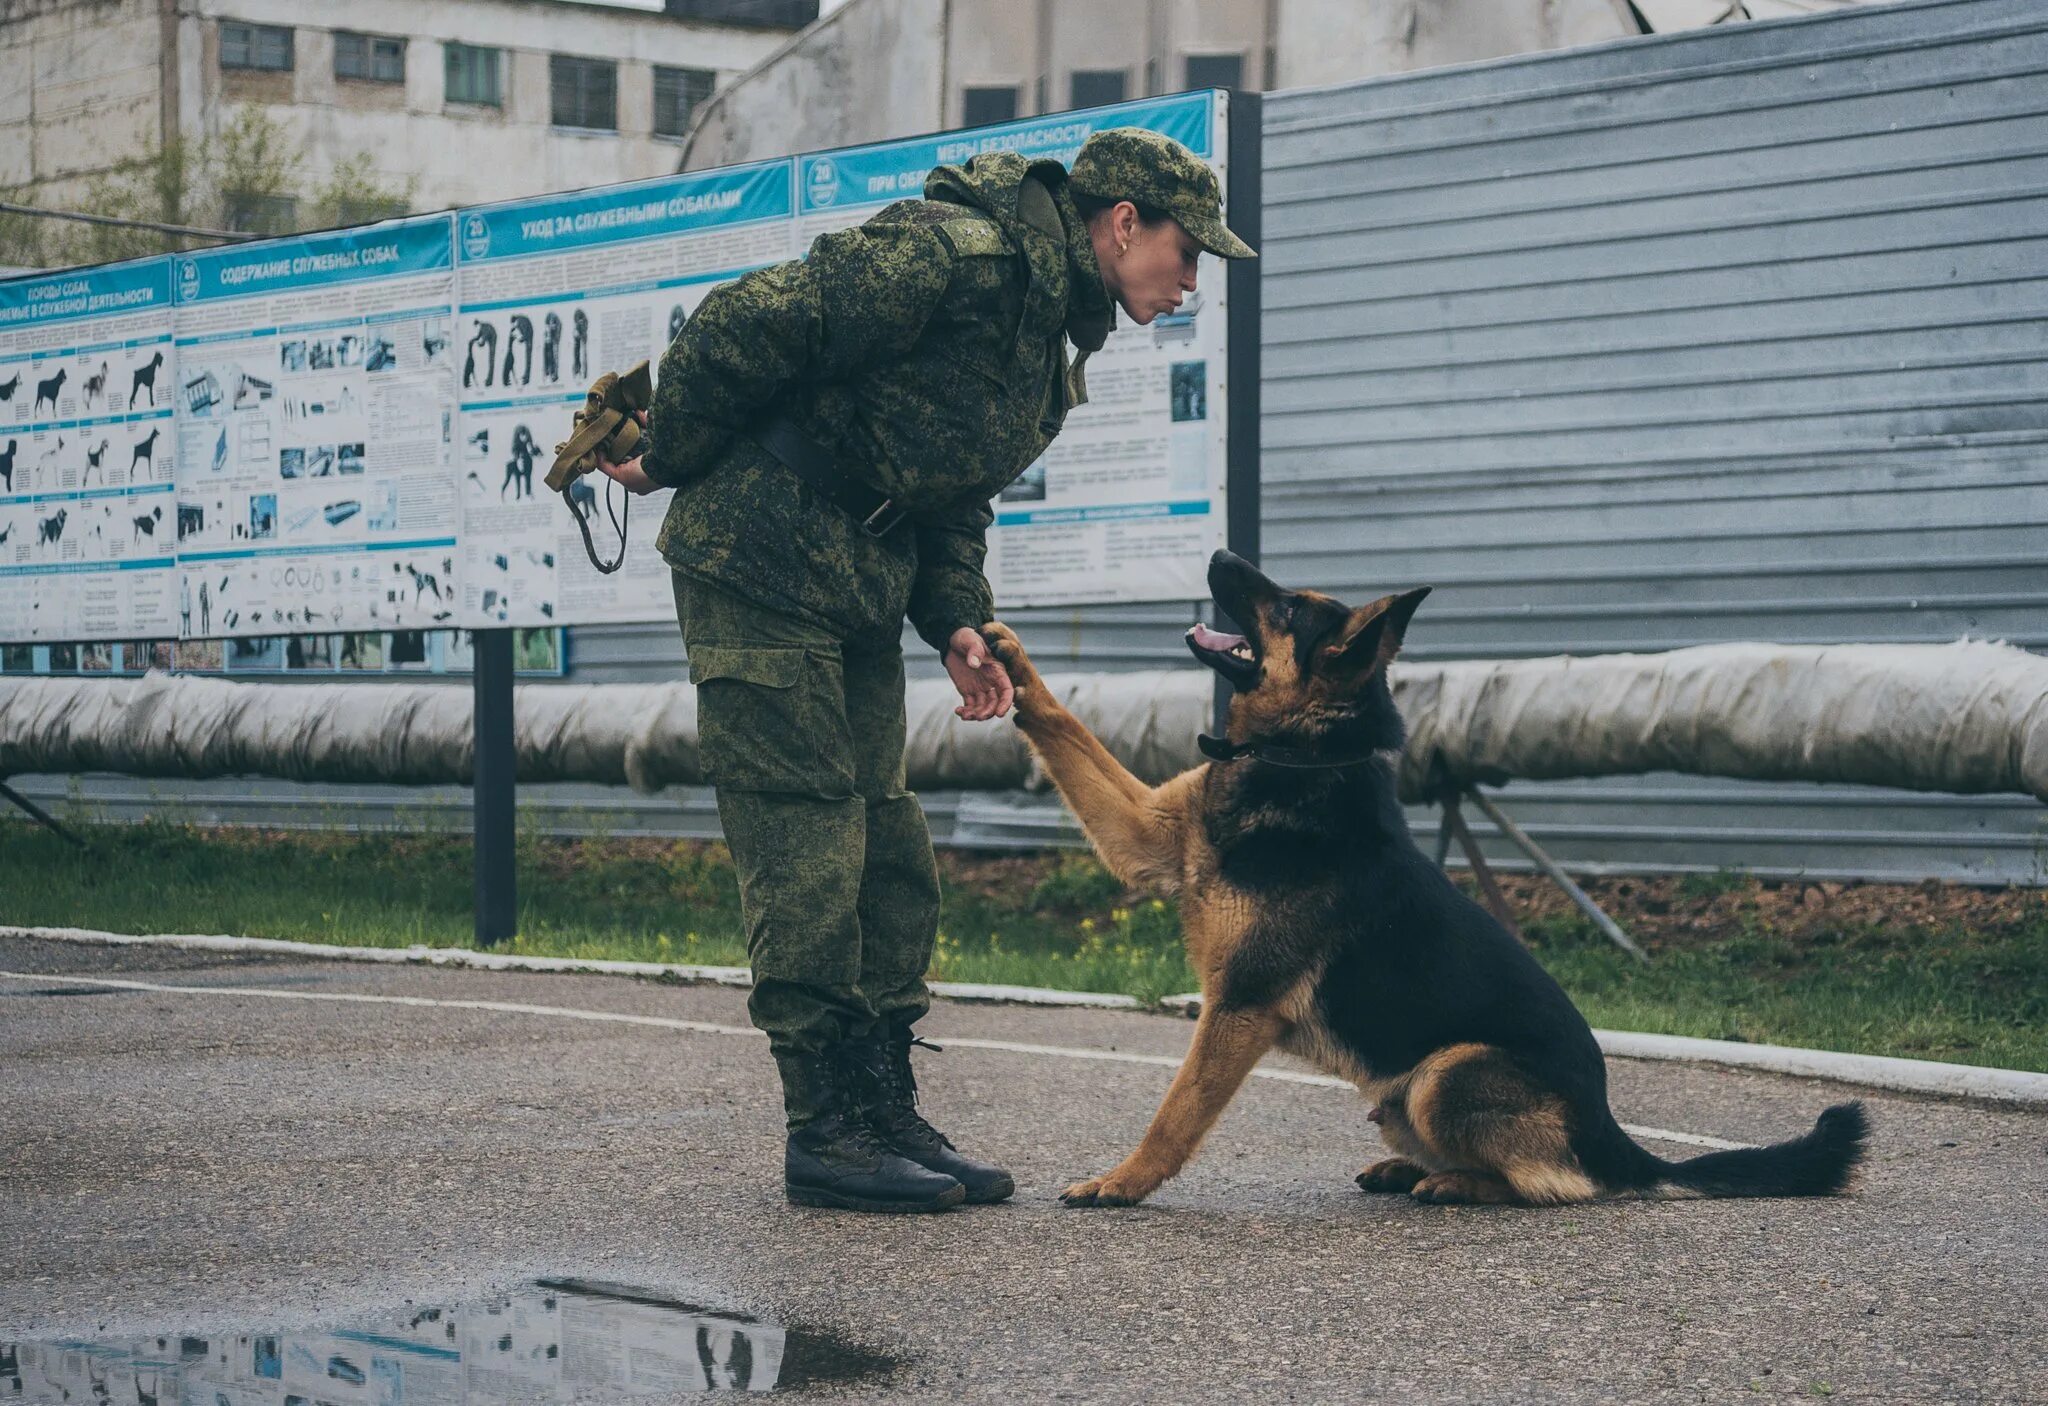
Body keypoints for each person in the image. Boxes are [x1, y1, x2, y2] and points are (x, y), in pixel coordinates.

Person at [597, 127, 1255, 1213]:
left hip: (857, 580)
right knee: (808, 837)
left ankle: (880, 1103)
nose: (1189, 282)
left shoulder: (1045, 343)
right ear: (1123, 221)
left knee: (886, 845)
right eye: (1185, 254)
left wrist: (955, 617)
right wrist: (667, 453)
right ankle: (825, 1128)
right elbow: (741, 324)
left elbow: (954, 493)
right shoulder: (955, 257)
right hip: (755, 557)